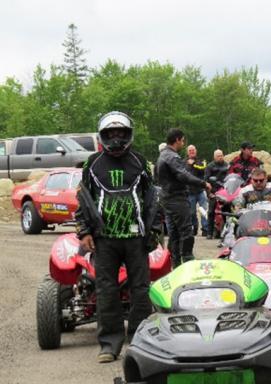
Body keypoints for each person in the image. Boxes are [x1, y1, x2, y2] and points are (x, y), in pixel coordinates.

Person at [75, 111, 159, 363]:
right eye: (110, 134)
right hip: (104, 238)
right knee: (106, 291)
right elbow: (83, 199)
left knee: (141, 290)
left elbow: (153, 199)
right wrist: (84, 231)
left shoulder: (141, 162)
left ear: (128, 134)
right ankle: (109, 346)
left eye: (120, 133)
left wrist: (154, 229)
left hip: (136, 238)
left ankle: (140, 342)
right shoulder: (92, 163)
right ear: (102, 136)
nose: (115, 138)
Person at [156, 128, 211, 268]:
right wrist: (203, 183)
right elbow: (183, 175)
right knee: (186, 231)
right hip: (176, 198)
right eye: (182, 140)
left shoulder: (163, 155)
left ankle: (174, 264)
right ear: (177, 140)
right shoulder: (172, 157)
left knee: (174, 233)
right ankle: (187, 262)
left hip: (167, 197)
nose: (183, 143)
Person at [204, 149, 230, 239]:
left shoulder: (227, 166)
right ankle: (209, 233)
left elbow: (231, 178)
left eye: (221, 155)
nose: (220, 157)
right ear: (214, 157)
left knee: (227, 212)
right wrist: (209, 193)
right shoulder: (210, 166)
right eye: (218, 156)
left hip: (225, 192)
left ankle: (227, 232)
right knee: (211, 212)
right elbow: (206, 181)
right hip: (214, 192)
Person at [185, 145, 208, 236]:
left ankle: (205, 229)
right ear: (187, 152)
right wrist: (189, 165)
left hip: (200, 190)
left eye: (193, 150)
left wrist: (193, 164)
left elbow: (203, 171)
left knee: (203, 210)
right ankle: (194, 227)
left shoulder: (201, 161)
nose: (191, 152)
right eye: (190, 150)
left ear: (196, 151)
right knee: (191, 212)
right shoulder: (183, 162)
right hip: (189, 191)